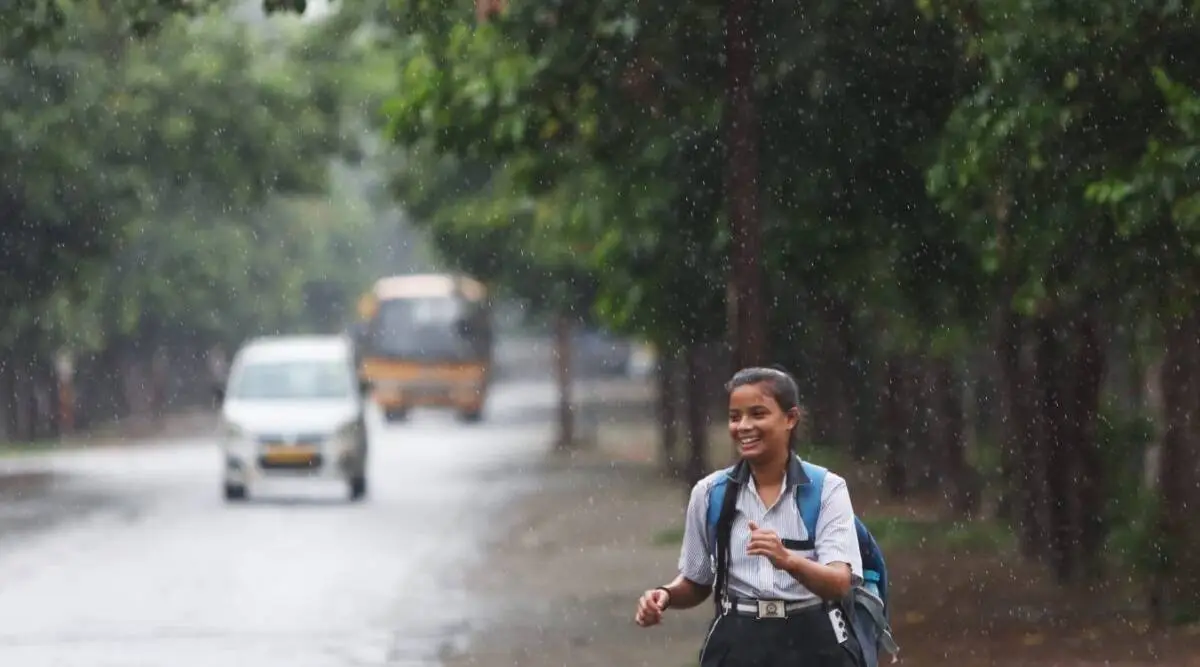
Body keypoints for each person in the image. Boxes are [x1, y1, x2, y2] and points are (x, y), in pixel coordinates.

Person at [634, 366, 864, 667]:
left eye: (758, 414)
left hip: (815, 641)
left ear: (790, 418)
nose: (743, 426)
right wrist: (664, 595)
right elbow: (697, 581)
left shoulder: (826, 489)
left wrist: (788, 560)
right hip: (737, 643)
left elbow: (839, 583)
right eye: (734, 417)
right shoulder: (709, 493)